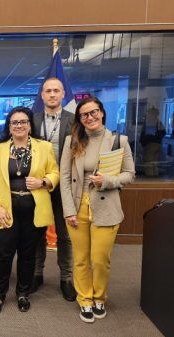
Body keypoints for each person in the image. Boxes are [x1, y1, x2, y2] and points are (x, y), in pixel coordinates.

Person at [60, 97, 135, 323]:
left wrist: (108, 180)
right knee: (81, 258)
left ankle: (99, 296)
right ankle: (85, 299)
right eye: (84, 115)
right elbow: (64, 177)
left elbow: (130, 174)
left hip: (106, 206)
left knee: (100, 259)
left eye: (93, 112)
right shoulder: (72, 141)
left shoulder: (118, 140)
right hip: (77, 205)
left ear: (102, 113)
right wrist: (68, 210)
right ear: (80, 119)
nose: (90, 117)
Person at [0, 106, 59, 315]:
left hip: (33, 210)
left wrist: (43, 181)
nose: (19, 126)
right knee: (3, 254)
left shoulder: (44, 147)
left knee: (28, 255)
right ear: (9, 127)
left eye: (23, 122)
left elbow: (54, 172)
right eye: (14, 122)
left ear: (29, 125)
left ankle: (23, 294)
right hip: (5, 210)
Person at [31, 77, 76, 301]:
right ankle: (37, 274)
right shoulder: (33, 119)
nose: (51, 94)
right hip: (39, 185)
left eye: (56, 90)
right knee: (38, 232)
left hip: (64, 185)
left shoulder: (74, 120)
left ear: (62, 94)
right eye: (47, 91)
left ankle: (66, 278)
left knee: (64, 234)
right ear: (42, 95)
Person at [140, 106, 165, 177]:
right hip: (158, 145)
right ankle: (155, 181)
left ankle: (150, 181)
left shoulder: (150, 122)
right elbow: (163, 133)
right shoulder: (159, 122)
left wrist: (145, 141)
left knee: (149, 165)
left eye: (149, 113)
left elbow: (145, 134)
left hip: (150, 146)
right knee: (155, 165)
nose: (148, 114)